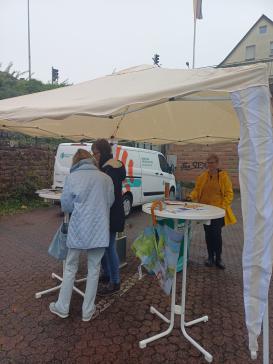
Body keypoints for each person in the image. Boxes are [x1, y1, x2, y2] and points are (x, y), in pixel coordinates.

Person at [49, 149, 114, 321]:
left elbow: (66, 206)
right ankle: (87, 310)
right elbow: (110, 202)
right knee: (94, 269)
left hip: (78, 230)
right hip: (99, 230)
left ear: (76, 162)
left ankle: (62, 307)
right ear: (92, 160)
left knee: (70, 268)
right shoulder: (106, 179)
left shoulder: (72, 178)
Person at [188, 153, 236, 269]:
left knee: (216, 235)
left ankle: (218, 258)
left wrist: (223, 207)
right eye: (209, 162)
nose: (210, 165)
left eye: (213, 162)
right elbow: (197, 190)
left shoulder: (223, 177)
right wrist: (191, 196)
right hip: (205, 211)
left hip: (218, 212)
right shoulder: (203, 176)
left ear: (217, 163)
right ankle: (210, 257)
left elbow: (229, 194)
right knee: (208, 234)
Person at [91, 139, 126, 295]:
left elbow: (106, 194)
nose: (94, 156)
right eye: (93, 153)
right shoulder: (113, 165)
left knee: (109, 247)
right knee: (104, 246)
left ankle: (115, 281)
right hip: (112, 212)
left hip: (110, 213)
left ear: (103, 152)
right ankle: (107, 274)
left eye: (96, 153)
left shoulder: (109, 169)